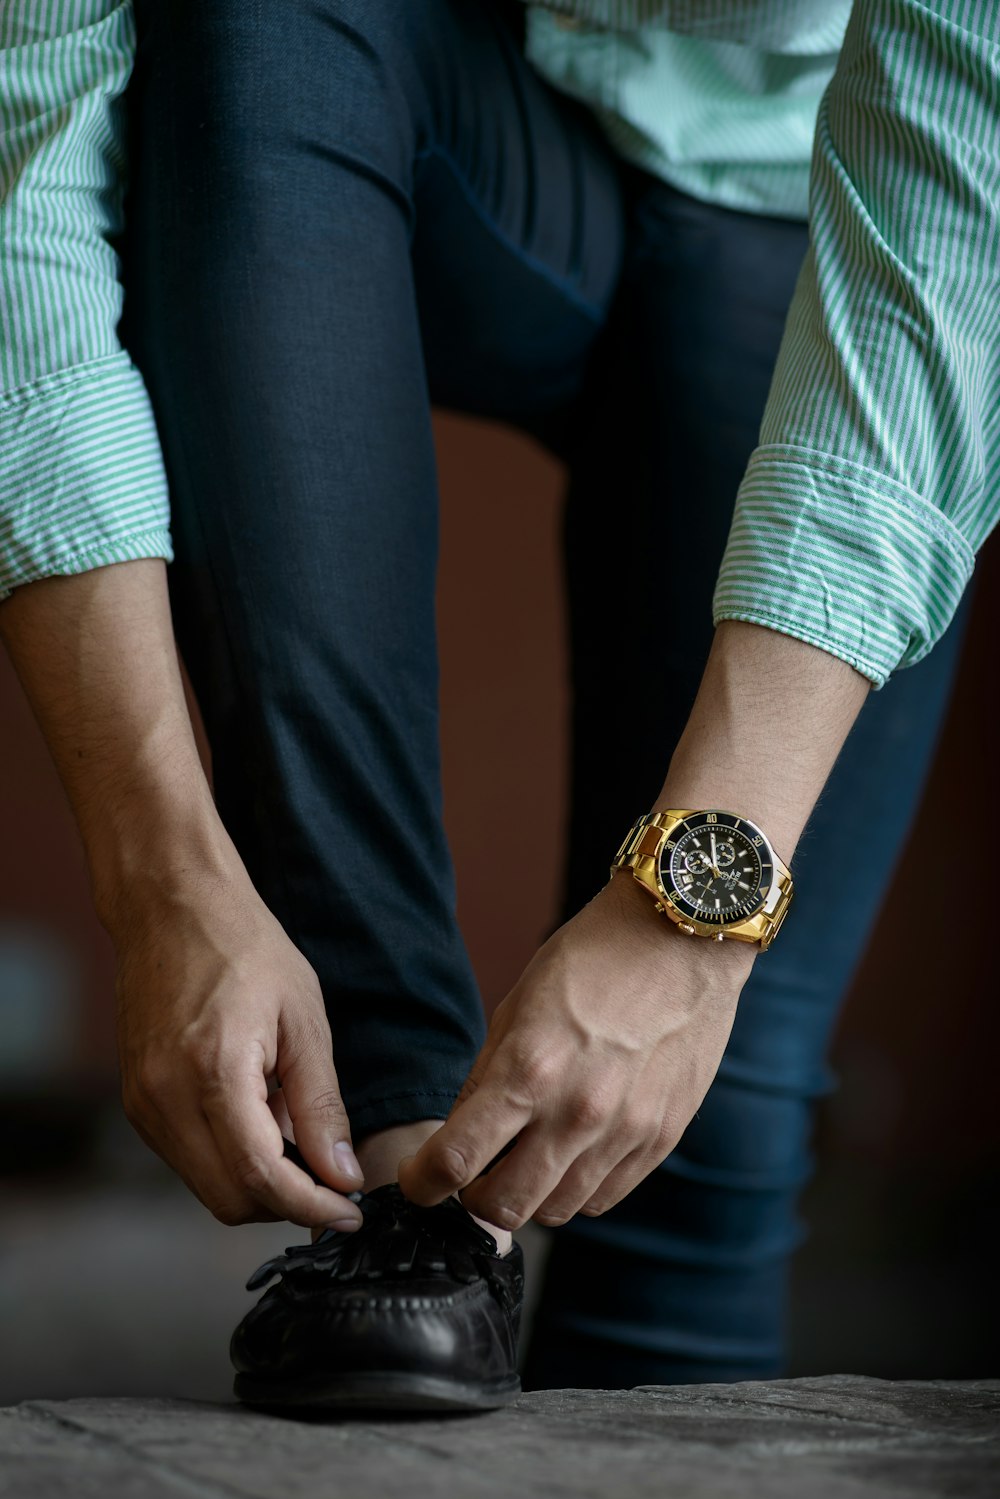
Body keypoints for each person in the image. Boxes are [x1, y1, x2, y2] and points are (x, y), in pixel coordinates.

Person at [1, 0, 995, 1410]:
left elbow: (950, 252)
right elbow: (19, 189)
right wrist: (159, 875)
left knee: (699, 1147)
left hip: (839, 219)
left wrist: (687, 929)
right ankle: (404, 1157)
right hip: (424, 106)